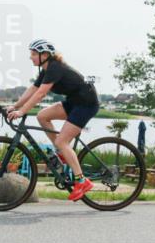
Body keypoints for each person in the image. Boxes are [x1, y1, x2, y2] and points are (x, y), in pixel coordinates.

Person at [8, 39, 100, 200]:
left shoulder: (55, 68)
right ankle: (62, 152)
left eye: (34, 54)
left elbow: (40, 94)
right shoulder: (45, 70)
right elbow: (33, 89)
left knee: (62, 141)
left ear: (44, 55)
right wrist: (15, 106)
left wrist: (22, 111)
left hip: (86, 104)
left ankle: (82, 181)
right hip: (73, 102)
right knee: (42, 116)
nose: (31, 57)